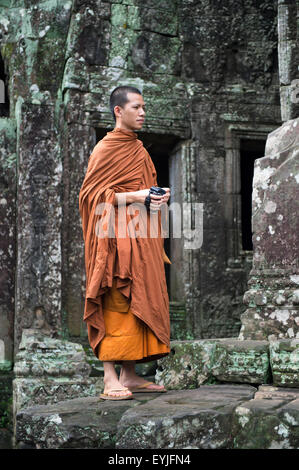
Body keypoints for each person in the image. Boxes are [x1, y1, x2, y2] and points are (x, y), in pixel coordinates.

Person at [79, 85, 171, 400]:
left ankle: (129, 374)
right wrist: (137, 196)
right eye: (136, 107)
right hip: (112, 241)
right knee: (115, 299)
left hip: (139, 239)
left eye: (144, 107)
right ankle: (108, 377)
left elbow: (145, 190)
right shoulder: (105, 149)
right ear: (119, 111)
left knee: (137, 301)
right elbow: (90, 197)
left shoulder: (140, 151)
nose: (143, 113)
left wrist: (156, 198)